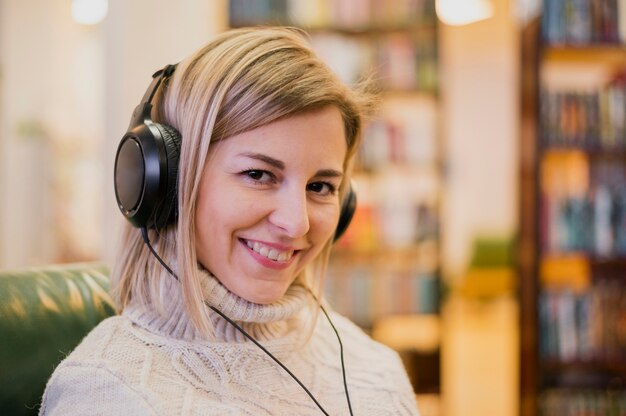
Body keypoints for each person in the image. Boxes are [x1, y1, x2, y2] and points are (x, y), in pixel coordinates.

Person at [40, 26, 420, 415]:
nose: (297, 223)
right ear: (167, 183)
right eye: (258, 175)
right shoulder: (106, 392)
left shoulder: (375, 371)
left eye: (320, 186)